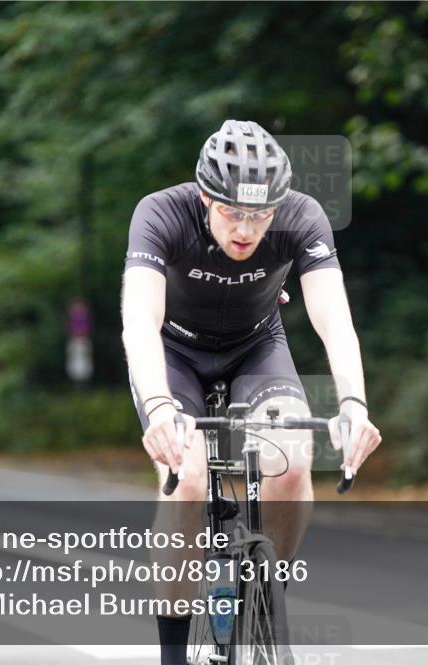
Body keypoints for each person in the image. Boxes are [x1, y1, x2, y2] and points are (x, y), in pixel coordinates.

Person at [121, 119, 381, 665]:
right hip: (176, 354)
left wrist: (354, 404)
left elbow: (334, 319)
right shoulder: (160, 214)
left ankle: (268, 596)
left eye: (260, 215)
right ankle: (172, 651)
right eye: (233, 212)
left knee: (292, 461)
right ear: (204, 197)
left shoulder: (302, 217)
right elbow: (140, 319)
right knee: (187, 481)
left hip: (256, 346)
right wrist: (160, 409)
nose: (246, 229)